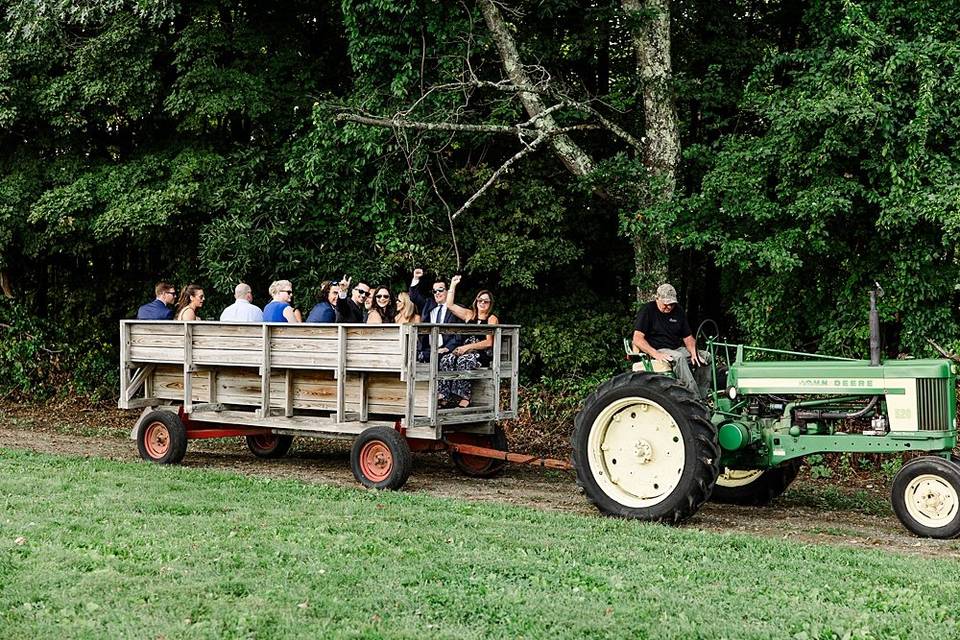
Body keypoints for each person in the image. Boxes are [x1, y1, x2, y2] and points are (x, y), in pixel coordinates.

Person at [632, 283, 711, 398]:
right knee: (679, 357)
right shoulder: (647, 310)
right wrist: (656, 353)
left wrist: (694, 353)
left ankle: (703, 394)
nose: (669, 307)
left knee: (706, 356)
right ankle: (694, 397)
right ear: (657, 299)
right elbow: (637, 339)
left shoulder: (678, 311)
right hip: (657, 349)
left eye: (672, 304)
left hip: (676, 348)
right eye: (666, 304)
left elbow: (688, 337)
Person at [437, 275, 499, 408]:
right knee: (446, 359)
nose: (482, 303)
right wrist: (453, 285)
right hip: (464, 350)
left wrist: (466, 347)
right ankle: (445, 396)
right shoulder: (469, 315)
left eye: (486, 301)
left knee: (463, 361)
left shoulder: (491, 319)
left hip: (480, 353)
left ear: (490, 304)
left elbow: (489, 343)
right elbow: (450, 305)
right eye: (480, 300)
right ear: (476, 301)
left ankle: (465, 396)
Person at [408, 268, 462, 360]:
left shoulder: (456, 309)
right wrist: (416, 278)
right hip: (428, 349)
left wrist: (447, 348)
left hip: (447, 351)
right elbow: (414, 296)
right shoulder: (428, 304)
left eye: (440, 290)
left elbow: (459, 334)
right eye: (434, 291)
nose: (437, 293)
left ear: (447, 291)